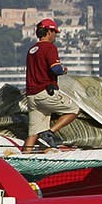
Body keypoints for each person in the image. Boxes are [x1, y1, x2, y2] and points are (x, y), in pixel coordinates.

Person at [23, 17, 81, 151]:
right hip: (45, 93)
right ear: (48, 32)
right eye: (54, 32)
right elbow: (55, 68)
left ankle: (25, 156)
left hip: (31, 97)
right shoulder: (49, 47)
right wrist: (63, 70)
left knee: (32, 133)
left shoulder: (32, 50)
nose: (55, 35)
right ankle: (50, 133)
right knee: (73, 110)